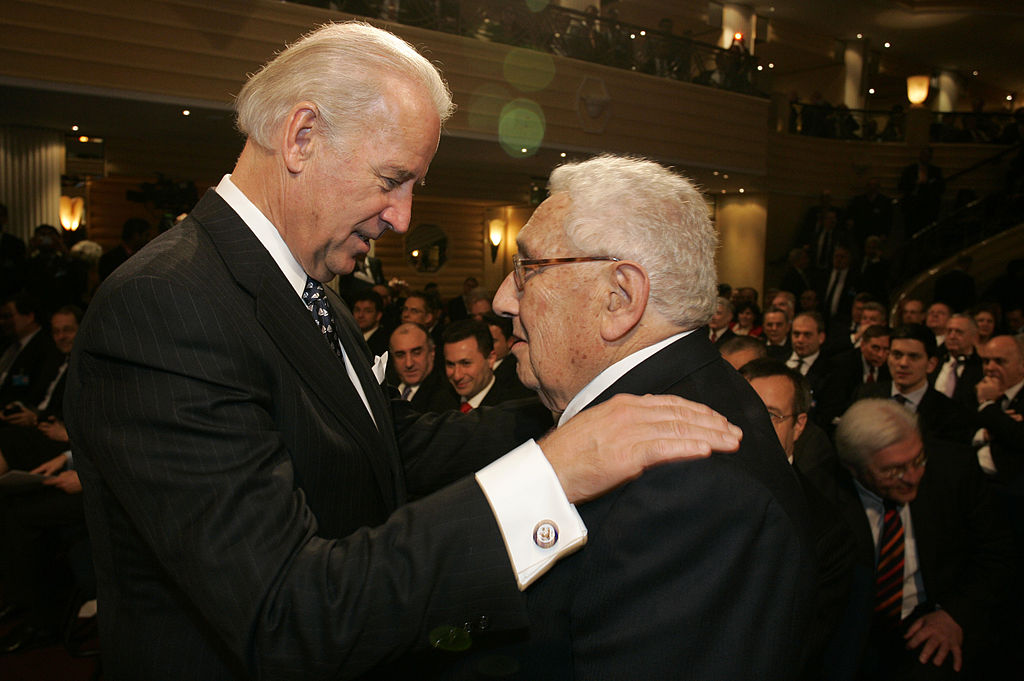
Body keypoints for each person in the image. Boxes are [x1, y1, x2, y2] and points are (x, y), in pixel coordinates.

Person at [64, 23, 740, 680]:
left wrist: (589, 403)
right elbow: (286, 616)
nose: (403, 217)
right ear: (302, 137)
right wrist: (550, 474)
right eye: (393, 179)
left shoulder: (314, 294)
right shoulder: (164, 304)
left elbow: (387, 448)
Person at [445, 154, 815, 679]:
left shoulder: (689, 488)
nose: (504, 299)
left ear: (619, 297)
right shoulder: (675, 405)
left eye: (527, 269)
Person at [828, 399, 1013, 680]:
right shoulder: (824, 494)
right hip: (853, 628)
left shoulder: (953, 470)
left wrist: (955, 614)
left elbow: (998, 552)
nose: (913, 477)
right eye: (893, 470)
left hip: (932, 616)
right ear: (853, 468)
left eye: (918, 460)